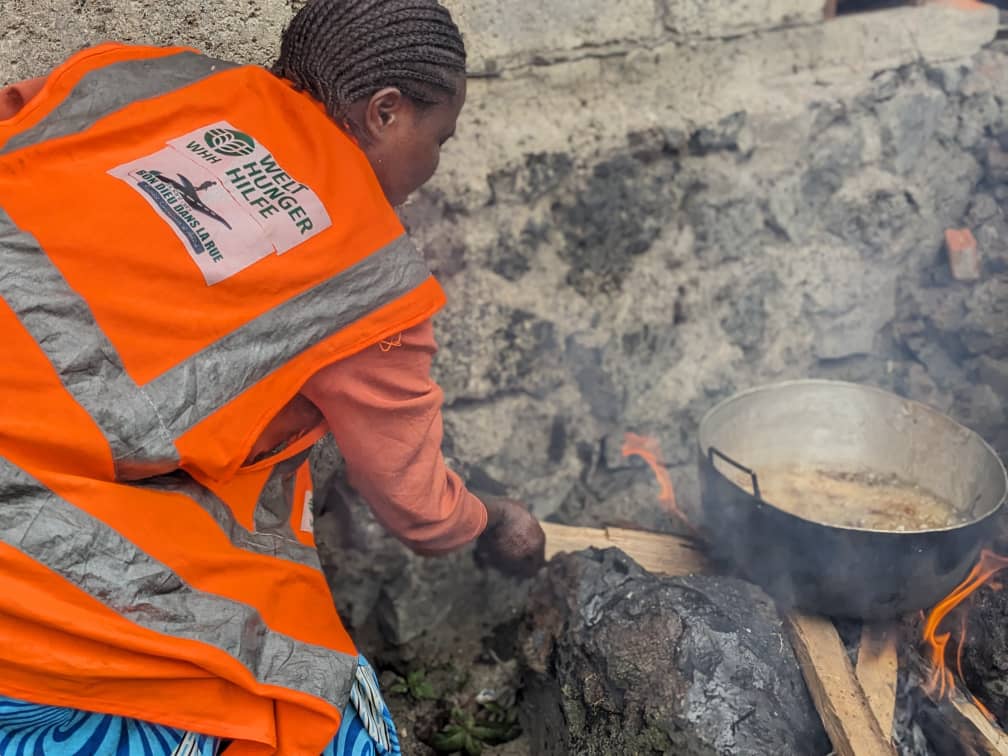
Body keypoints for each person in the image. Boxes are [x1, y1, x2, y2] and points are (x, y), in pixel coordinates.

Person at [0, 0, 545, 753]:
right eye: (439, 138)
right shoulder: (371, 275)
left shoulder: (151, 77)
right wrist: (495, 522)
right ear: (385, 113)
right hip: (21, 519)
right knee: (310, 705)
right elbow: (416, 505)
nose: (434, 166)